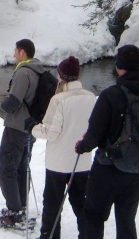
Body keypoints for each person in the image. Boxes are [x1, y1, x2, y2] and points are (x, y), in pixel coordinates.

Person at [74, 45, 139, 239]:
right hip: (137, 171)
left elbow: (95, 133)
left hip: (107, 168)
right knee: (126, 218)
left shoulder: (111, 95)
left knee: (93, 215)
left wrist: (82, 146)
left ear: (118, 65)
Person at [0, 38, 48, 228]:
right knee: (20, 168)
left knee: (5, 171)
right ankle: (20, 207)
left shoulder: (23, 73)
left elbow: (12, 104)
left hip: (16, 128)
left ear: (22, 52)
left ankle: (15, 213)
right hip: (30, 129)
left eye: (16, 51)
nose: (13, 54)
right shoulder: (38, 71)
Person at [31, 56, 96, 239]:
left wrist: (31, 127)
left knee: (52, 204)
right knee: (80, 202)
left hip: (58, 163)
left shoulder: (59, 100)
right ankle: (87, 235)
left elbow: (51, 132)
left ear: (61, 76)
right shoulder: (90, 98)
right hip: (81, 161)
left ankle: (49, 236)